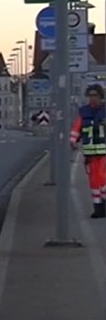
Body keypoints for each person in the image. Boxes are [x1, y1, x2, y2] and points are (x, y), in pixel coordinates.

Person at [70, 83, 106, 219]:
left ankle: (102, 206)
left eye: (95, 95)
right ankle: (98, 209)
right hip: (90, 153)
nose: (92, 98)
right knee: (94, 182)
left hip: (104, 153)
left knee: (102, 179)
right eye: (90, 96)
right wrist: (72, 141)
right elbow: (76, 128)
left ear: (101, 96)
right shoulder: (84, 112)